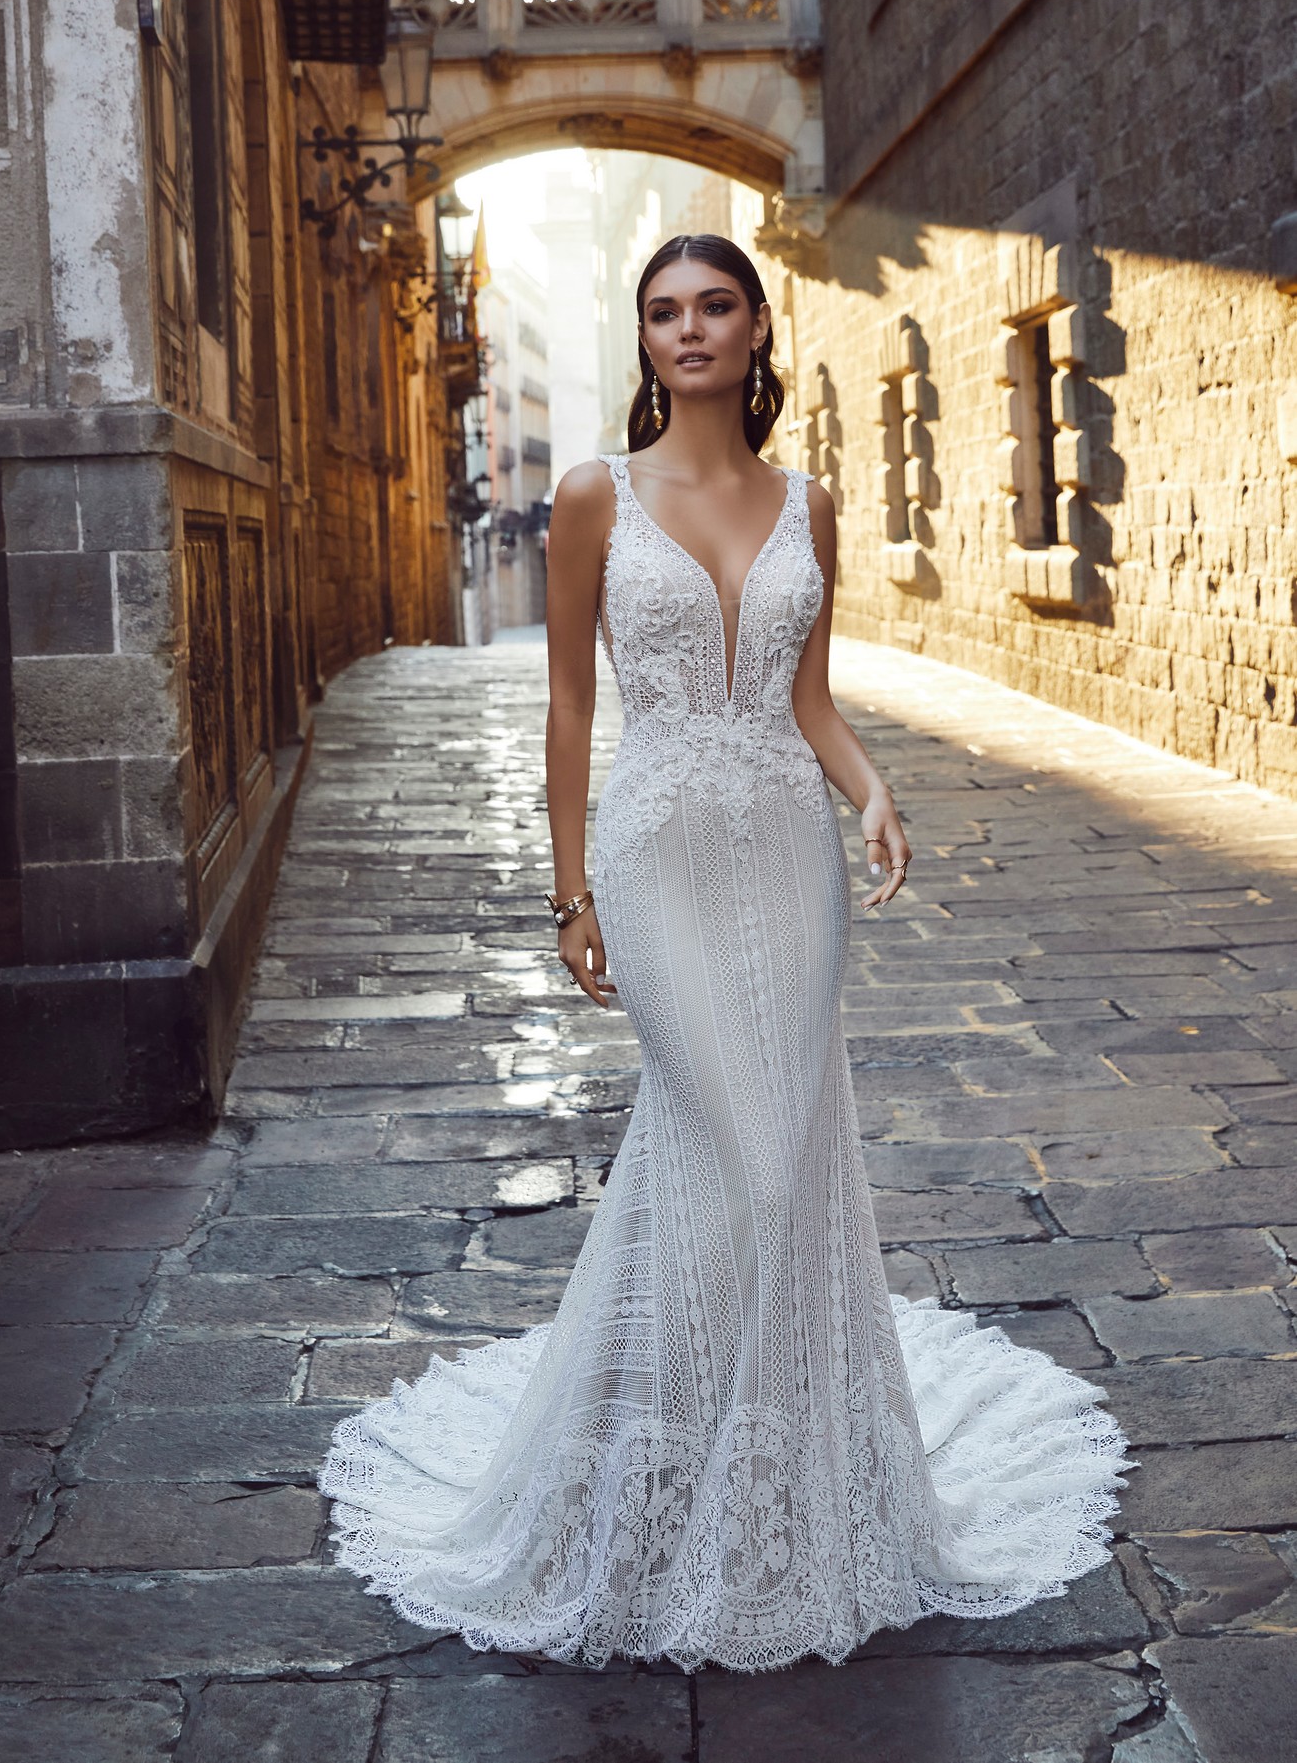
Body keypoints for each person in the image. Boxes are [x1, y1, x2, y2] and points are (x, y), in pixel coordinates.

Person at [319, 233, 1131, 1673]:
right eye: (662, 312)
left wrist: (871, 786)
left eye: (713, 307)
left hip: (787, 855)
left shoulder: (810, 501)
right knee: (740, 1149)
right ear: (645, 342)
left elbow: (809, 699)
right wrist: (570, 896)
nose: (688, 329)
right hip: (657, 855)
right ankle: (651, 1481)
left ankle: (756, 1479)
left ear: (759, 329)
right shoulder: (590, 498)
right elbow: (570, 710)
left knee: (780, 1159)